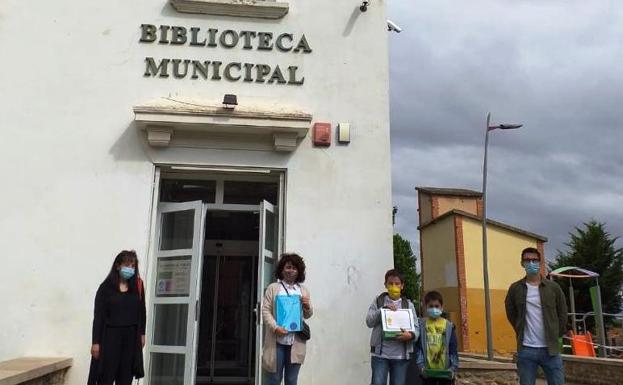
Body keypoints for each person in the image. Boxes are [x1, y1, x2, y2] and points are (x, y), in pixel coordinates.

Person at [505, 247, 568, 385]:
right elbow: (510, 312)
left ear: (540, 262)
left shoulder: (553, 287)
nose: (531, 263)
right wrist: (519, 328)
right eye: (527, 260)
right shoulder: (515, 288)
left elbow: (563, 313)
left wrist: (557, 333)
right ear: (522, 263)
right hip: (526, 349)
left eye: (534, 260)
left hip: (550, 349)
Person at [88, 250, 146, 385]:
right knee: (106, 375)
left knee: (126, 375)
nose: (130, 269)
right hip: (110, 337)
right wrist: (96, 342)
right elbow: (98, 316)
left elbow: (142, 311)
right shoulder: (105, 288)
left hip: (131, 337)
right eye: (127, 265)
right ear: (118, 266)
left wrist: (142, 334)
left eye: (133, 266)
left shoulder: (138, 285)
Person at [261, 253, 313, 385]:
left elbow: (308, 315)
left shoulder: (303, 290)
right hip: (276, 342)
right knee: (274, 380)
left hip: (296, 342)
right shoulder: (273, 288)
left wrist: (307, 307)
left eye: (294, 268)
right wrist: (275, 327)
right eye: (288, 267)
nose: (291, 271)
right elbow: (265, 310)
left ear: (299, 271)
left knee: (291, 380)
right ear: (282, 269)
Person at [366, 269, 419, 385]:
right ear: (385, 285)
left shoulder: (408, 305)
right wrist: (382, 310)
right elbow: (369, 321)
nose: (393, 286)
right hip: (380, 355)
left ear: (402, 286)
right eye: (390, 283)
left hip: (401, 356)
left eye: (397, 284)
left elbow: (416, 328)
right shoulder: (378, 301)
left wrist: (410, 335)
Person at [415, 290, 459, 385]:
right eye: (431, 306)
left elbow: (453, 349)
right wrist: (421, 367)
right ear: (426, 307)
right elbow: (419, 348)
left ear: (442, 307)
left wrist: (453, 368)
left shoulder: (448, 326)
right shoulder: (422, 326)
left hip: (445, 372)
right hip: (427, 372)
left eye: (436, 306)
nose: (434, 308)